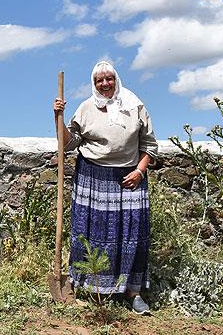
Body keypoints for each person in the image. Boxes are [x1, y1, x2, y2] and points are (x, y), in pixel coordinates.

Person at [53, 60, 158, 314]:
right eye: (99, 80)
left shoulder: (135, 105)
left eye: (109, 78)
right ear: (94, 83)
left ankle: (133, 292)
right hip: (92, 176)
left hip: (130, 177)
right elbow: (68, 144)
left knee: (131, 233)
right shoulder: (86, 108)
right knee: (91, 232)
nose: (104, 83)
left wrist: (139, 171)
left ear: (116, 79)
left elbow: (149, 145)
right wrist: (58, 116)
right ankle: (90, 287)